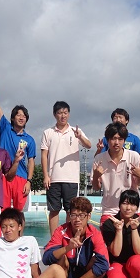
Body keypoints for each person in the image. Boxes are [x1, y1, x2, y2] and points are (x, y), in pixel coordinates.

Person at [0, 70, 37, 210]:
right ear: (13, 118)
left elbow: (31, 161)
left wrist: (29, 181)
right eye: (18, 115)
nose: (21, 117)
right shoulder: (5, 128)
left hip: (21, 178)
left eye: (24, 116)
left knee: (19, 213)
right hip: (3, 176)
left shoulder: (30, 140)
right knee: (3, 211)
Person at [42, 196, 109, 278]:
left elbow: (104, 264)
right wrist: (67, 248)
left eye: (81, 215)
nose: (77, 219)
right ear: (69, 215)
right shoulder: (61, 231)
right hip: (65, 274)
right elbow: (46, 258)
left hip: (84, 276)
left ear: (89, 216)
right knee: (61, 257)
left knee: (98, 261)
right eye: (74, 215)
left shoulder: (95, 234)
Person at [40, 101, 92, 235]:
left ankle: (69, 237)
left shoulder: (76, 131)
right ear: (54, 115)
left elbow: (88, 145)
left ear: (68, 114)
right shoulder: (48, 132)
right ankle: (54, 239)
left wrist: (80, 137)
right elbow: (44, 155)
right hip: (53, 178)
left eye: (65, 112)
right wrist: (46, 175)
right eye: (59, 113)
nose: (63, 116)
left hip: (71, 179)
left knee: (71, 211)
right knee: (54, 210)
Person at [92, 122, 140, 224]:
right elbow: (96, 187)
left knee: (134, 234)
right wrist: (95, 177)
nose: (116, 142)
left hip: (131, 208)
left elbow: (139, 183)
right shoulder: (99, 159)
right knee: (107, 234)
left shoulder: (134, 156)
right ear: (107, 140)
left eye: (120, 139)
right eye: (113, 138)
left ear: (124, 140)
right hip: (109, 210)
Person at [0, 208, 41, 278]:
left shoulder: (30, 241)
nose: (7, 230)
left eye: (11, 226)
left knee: (53, 269)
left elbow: (35, 270)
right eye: (4, 227)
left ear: (19, 227)